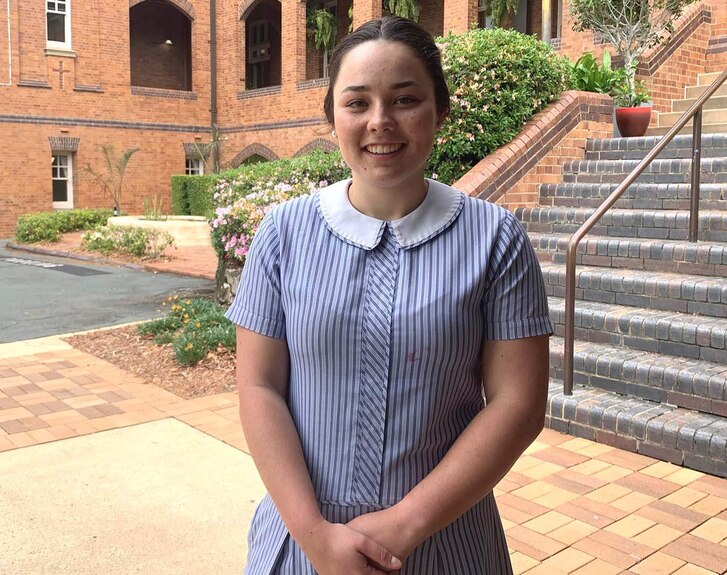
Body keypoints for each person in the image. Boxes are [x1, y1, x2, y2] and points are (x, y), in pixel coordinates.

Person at [227, 15, 552, 575]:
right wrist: (316, 538)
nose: (380, 121)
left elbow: (517, 404)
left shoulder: (496, 239)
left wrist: (404, 525)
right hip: (307, 541)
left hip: (445, 540)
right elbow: (259, 386)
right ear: (331, 116)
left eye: (405, 99)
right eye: (356, 103)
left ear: (439, 111)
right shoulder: (283, 234)